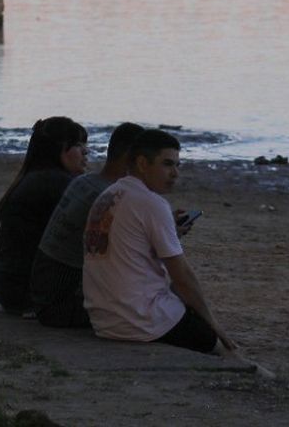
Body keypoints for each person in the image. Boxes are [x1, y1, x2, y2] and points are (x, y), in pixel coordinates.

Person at [83, 129, 235, 354]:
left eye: (177, 165)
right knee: (213, 343)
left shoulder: (108, 195)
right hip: (140, 320)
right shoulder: (152, 203)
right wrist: (215, 326)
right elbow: (182, 277)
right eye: (167, 164)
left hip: (104, 319)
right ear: (143, 163)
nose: (175, 174)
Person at [29, 122, 145, 328]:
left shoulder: (83, 182)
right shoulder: (111, 197)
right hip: (62, 306)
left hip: (43, 294)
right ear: (134, 158)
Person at [0, 116, 89, 314]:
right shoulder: (58, 184)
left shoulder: (32, 178)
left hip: (8, 287)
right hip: (31, 292)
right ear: (61, 149)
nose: (86, 152)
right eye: (79, 145)